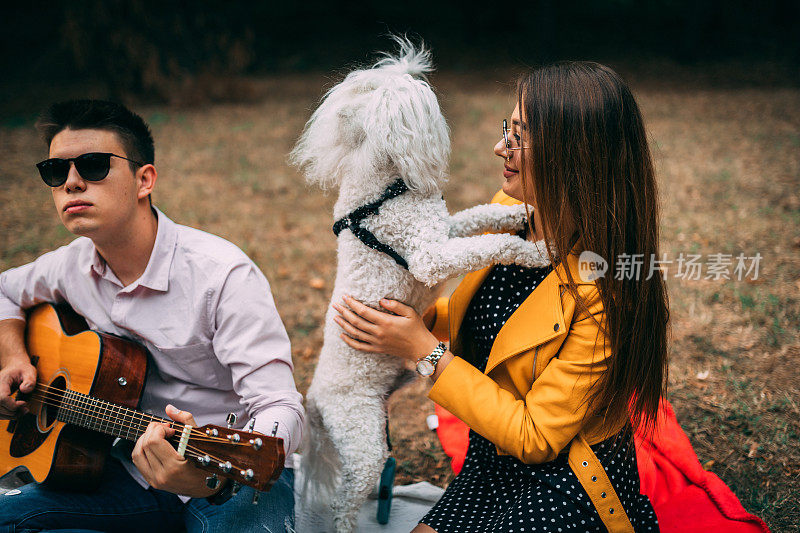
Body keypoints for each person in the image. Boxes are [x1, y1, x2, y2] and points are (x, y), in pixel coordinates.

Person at [334, 62, 668, 532]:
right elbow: (490, 312)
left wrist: (421, 351)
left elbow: (536, 436)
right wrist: (409, 319)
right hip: (490, 460)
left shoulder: (607, 291)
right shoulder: (511, 209)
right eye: (507, 128)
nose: (500, 148)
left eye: (520, 137)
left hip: (565, 480)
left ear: (575, 156)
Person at [0, 100, 303, 532]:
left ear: (145, 180)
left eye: (93, 165)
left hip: (227, 474)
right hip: (120, 472)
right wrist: (14, 358)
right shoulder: (70, 266)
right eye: (55, 171)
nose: (71, 183)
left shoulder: (222, 276)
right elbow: (5, 290)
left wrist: (211, 477)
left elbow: (279, 404)